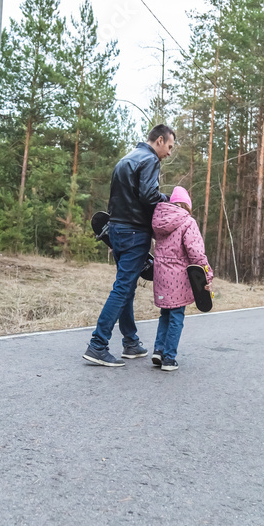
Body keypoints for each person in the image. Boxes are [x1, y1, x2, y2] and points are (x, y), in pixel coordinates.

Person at [83, 124, 175, 367]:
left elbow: (117, 199)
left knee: (127, 287)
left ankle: (131, 342)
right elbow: (149, 196)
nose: (169, 152)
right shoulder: (150, 160)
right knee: (123, 288)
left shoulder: (126, 159)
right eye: (169, 146)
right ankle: (98, 345)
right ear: (159, 140)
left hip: (116, 229)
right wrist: (169, 200)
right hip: (135, 232)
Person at [149, 186, 212, 372]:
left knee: (165, 314)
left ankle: (159, 350)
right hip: (178, 277)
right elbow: (196, 252)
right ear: (186, 205)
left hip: (161, 275)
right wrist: (207, 274)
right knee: (176, 316)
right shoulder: (187, 222)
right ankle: (169, 358)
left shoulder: (158, 220)